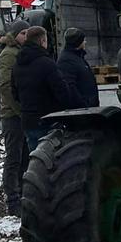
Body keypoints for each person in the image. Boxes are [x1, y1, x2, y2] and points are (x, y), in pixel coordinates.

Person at [13, 25, 74, 154]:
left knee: (36, 162)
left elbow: (14, 93)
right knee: (51, 162)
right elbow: (63, 93)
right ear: (42, 41)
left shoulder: (17, 64)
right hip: (48, 120)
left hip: (28, 121)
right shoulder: (47, 63)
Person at [0, 21, 30, 215]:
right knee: (14, 158)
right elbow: (5, 87)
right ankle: (12, 199)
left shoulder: (20, 53)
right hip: (12, 115)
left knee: (24, 156)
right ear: (16, 35)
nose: (26, 37)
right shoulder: (9, 55)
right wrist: (19, 110)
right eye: (23, 33)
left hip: (20, 114)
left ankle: (22, 193)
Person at [58, 27, 100, 108]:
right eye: (83, 40)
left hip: (89, 108)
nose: (85, 42)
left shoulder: (78, 57)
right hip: (81, 110)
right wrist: (83, 104)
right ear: (78, 42)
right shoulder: (66, 61)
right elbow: (70, 87)